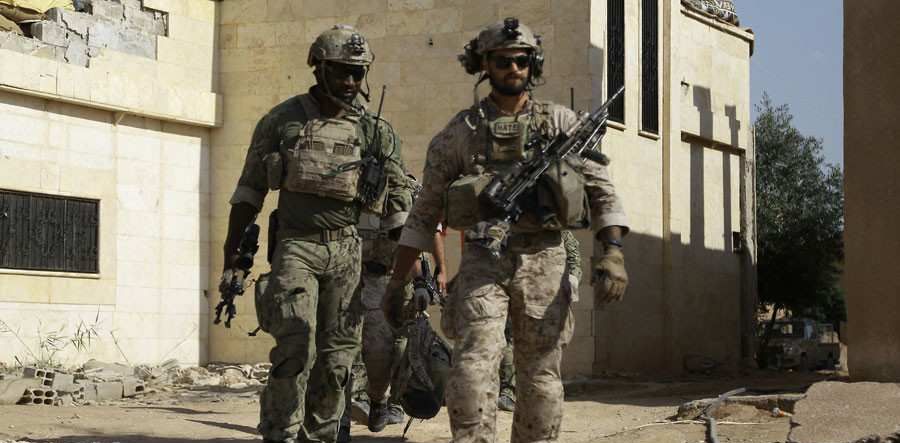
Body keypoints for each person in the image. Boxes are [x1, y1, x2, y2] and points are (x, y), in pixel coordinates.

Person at [382, 17, 629, 443]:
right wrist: (398, 280)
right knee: (473, 368)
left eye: (521, 60)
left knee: (540, 375)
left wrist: (613, 252)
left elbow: (602, 191)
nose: (513, 68)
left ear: (534, 64)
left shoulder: (560, 124)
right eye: (502, 61)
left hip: (545, 258)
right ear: (484, 65)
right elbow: (424, 213)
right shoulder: (461, 133)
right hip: (484, 260)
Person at [221, 25, 411, 443]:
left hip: (347, 250)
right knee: (295, 346)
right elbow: (249, 193)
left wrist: (405, 279)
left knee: (338, 357)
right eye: (342, 71)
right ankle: (281, 432)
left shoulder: (375, 131)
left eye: (358, 73)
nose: (351, 81)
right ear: (319, 68)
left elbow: (400, 209)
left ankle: (322, 434)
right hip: (296, 246)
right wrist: (233, 261)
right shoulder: (282, 121)